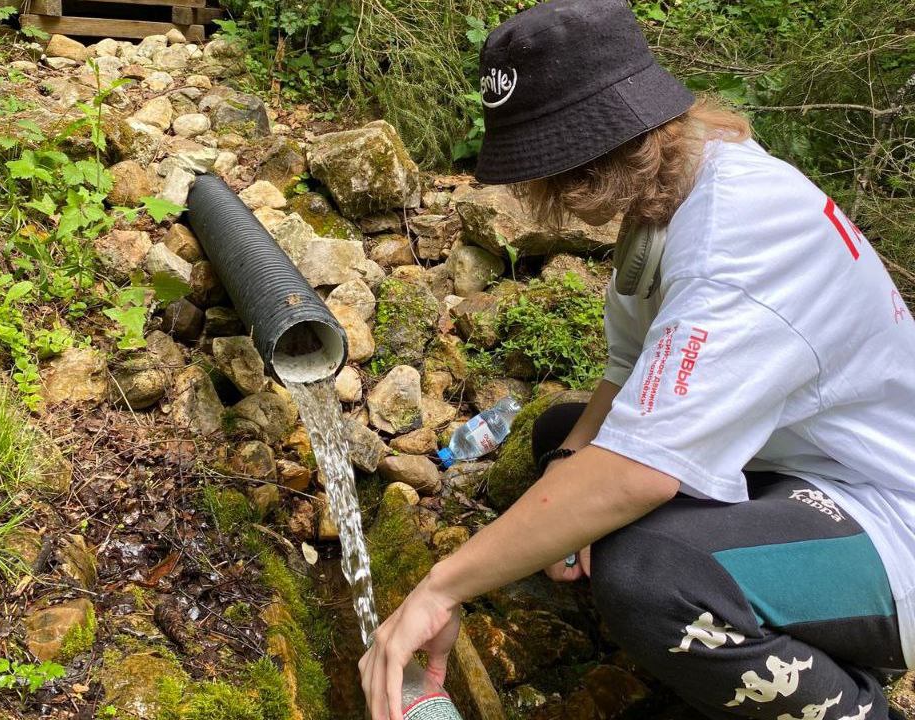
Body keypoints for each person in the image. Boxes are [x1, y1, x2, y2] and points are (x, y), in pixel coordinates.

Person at [358, 1, 915, 719]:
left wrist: (442, 587)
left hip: (889, 524)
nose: (541, 191)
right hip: (803, 469)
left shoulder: (735, 239)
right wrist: (567, 472)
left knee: (650, 575)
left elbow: (639, 473)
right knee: (561, 440)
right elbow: (626, 376)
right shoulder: (677, 191)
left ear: (588, 158)